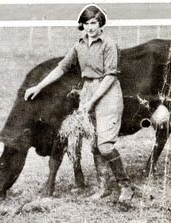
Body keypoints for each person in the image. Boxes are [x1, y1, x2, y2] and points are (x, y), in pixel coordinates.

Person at [24, 4, 133, 203]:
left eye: (94, 23)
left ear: (101, 24)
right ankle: (103, 188)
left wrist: (91, 102)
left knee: (105, 145)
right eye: (86, 23)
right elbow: (61, 68)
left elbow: (110, 77)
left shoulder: (109, 44)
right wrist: (38, 86)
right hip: (88, 90)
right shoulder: (79, 45)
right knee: (94, 144)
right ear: (82, 25)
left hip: (108, 93)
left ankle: (125, 186)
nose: (90, 27)